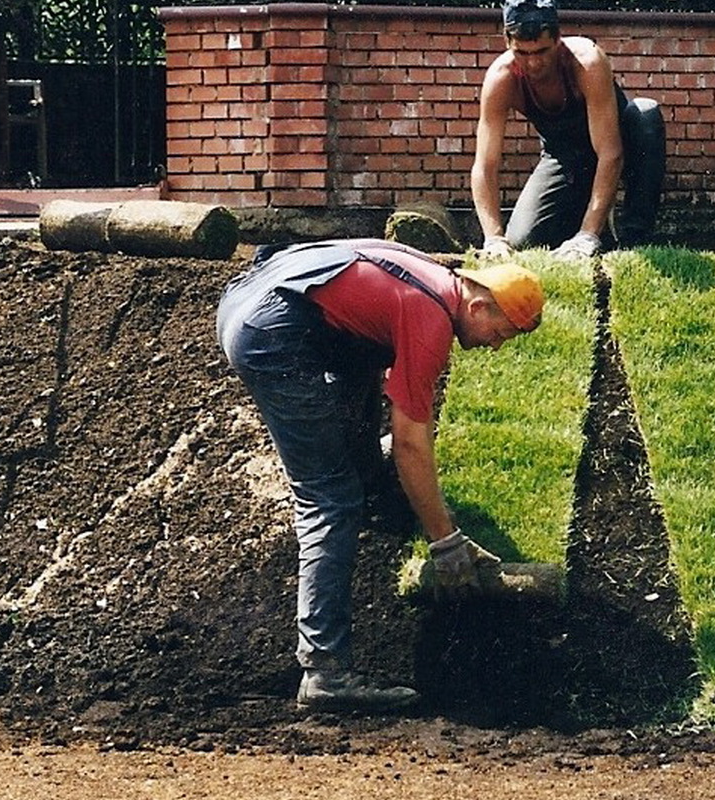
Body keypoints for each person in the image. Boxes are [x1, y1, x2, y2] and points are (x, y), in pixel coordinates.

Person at [216, 238, 544, 712]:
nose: (496, 346)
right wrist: (445, 541)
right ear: (478, 303)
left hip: (255, 299)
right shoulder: (430, 317)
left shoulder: (430, 274)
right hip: (272, 332)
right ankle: (325, 671)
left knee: (362, 368)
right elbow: (410, 442)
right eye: (502, 332)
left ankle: (377, 496)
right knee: (328, 496)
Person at [471, 0, 666, 261]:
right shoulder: (501, 79)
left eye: (541, 51)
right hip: (565, 156)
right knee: (524, 242)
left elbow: (610, 152)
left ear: (558, 40)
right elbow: (484, 165)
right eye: (522, 53)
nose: (533, 64)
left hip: (620, 142)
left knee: (645, 114)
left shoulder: (587, 62)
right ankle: (589, 230)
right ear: (507, 42)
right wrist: (494, 238)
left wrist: (588, 235)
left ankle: (633, 240)